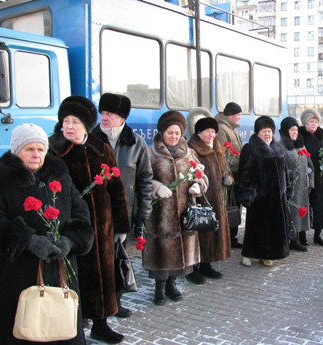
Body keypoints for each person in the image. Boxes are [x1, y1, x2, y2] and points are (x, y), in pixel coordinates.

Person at [0, 123, 93, 345]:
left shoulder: (60, 176)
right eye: (29, 149)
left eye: (40, 149)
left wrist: (70, 240)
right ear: (16, 151)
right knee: (18, 331)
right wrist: (29, 241)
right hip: (16, 275)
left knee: (60, 329)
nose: (36, 154)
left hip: (59, 271)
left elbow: (81, 212)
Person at [49, 96, 130, 343]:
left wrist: (121, 225)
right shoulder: (54, 150)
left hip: (102, 227)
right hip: (69, 228)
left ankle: (100, 325)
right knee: (74, 277)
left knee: (102, 276)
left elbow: (116, 188)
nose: (70, 126)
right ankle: (71, 328)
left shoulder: (100, 147)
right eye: (66, 121)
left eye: (75, 121)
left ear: (86, 125)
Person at [92, 93, 153, 318]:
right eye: (103, 113)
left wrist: (143, 214)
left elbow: (144, 180)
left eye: (111, 114)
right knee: (96, 261)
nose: (105, 118)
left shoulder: (136, 142)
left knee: (118, 258)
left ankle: (115, 302)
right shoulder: (91, 139)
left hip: (122, 213)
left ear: (122, 118)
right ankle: (95, 308)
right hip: (94, 212)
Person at [143, 110, 208, 305]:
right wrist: (156, 188)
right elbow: (143, 180)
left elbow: (202, 176)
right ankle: (159, 289)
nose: (173, 136)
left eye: (177, 133)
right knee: (161, 252)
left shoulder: (189, 153)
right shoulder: (150, 153)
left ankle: (172, 285)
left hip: (183, 213)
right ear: (162, 132)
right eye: (170, 132)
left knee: (180, 252)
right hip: (160, 215)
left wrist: (199, 186)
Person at [237, 116, 290, 267]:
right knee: (255, 227)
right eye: (263, 131)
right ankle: (248, 254)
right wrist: (246, 192)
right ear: (257, 132)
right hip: (258, 196)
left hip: (277, 196)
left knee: (273, 228)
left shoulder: (278, 148)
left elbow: (284, 171)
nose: (267, 134)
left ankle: (268, 255)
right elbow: (245, 172)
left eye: (269, 131)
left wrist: (288, 189)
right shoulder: (250, 148)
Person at [186, 117, 232, 284]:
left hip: (216, 198)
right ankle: (193, 269)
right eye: (207, 131)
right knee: (197, 233)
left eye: (213, 131)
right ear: (199, 133)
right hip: (199, 197)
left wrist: (228, 177)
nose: (211, 134)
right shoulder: (192, 149)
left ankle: (207, 264)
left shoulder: (217, 148)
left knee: (211, 232)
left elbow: (223, 168)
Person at [279, 117, 314, 250]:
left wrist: (310, 182)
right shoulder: (281, 146)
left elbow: (310, 165)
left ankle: (297, 239)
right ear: (285, 131)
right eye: (291, 130)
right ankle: (289, 240)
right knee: (290, 213)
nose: (295, 132)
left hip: (303, 187)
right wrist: (288, 174)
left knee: (300, 214)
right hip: (290, 187)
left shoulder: (301, 145)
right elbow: (279, 167)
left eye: (296, 129)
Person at [299, 108, 323, 246]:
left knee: (319, 206)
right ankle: (302, 235)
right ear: (305, 122)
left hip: (320, 176)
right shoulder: (300, 136)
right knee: (304, 204)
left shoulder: (321, 135)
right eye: (311, 121)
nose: (314, 124)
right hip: (305, 176)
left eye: (316, 121)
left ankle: (318, 234)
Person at [215, 102, 244, 249]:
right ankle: (228, 237)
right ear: (231, 115)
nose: (240, 117)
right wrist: (227, 173)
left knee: (235, 206)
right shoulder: (222, 129)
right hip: (229, 174)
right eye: (238, 114)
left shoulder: (232, 128)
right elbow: (222, 153)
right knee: (230, 207)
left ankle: (232, 237)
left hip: (236, 171)